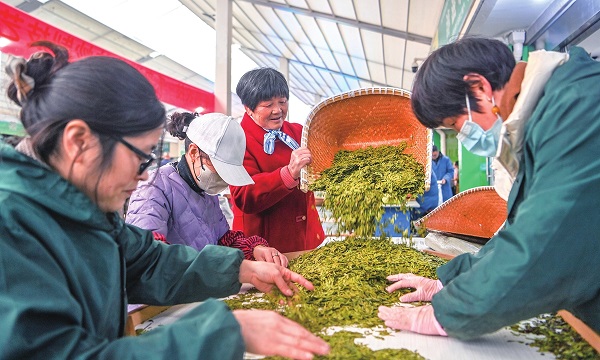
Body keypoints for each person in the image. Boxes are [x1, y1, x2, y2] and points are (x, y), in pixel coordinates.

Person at [0, 41, 329, 359]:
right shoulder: (12, 228)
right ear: (79, 142)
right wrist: (225, 331)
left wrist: (241, 269)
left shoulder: (86, 205)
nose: (144, 175)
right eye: (140, 158)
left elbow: (148, 261)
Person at [378, 37, 600, 340]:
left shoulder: (578, 107)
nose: (463, 135)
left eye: (455, 124)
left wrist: (449, 313)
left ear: (479, 88)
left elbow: (543, 241)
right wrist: (448, 283)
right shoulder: (546, 117)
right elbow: (519, 230)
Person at [126, 111, 288, 266]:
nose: (223, 178)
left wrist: (254, 250)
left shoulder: (205, 191)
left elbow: (223, 240)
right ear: (194, 152)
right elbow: (148, 255)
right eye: (219, 167)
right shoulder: (153, 188)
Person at [230, 67, 325, 253]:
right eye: (268, 105)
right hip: (264, 244)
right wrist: (288, 174)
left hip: (305, 236)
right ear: (248, 108)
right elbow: (244, 196)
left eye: (282, 102)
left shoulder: (298, 132)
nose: (278, 110)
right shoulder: (237, 140)